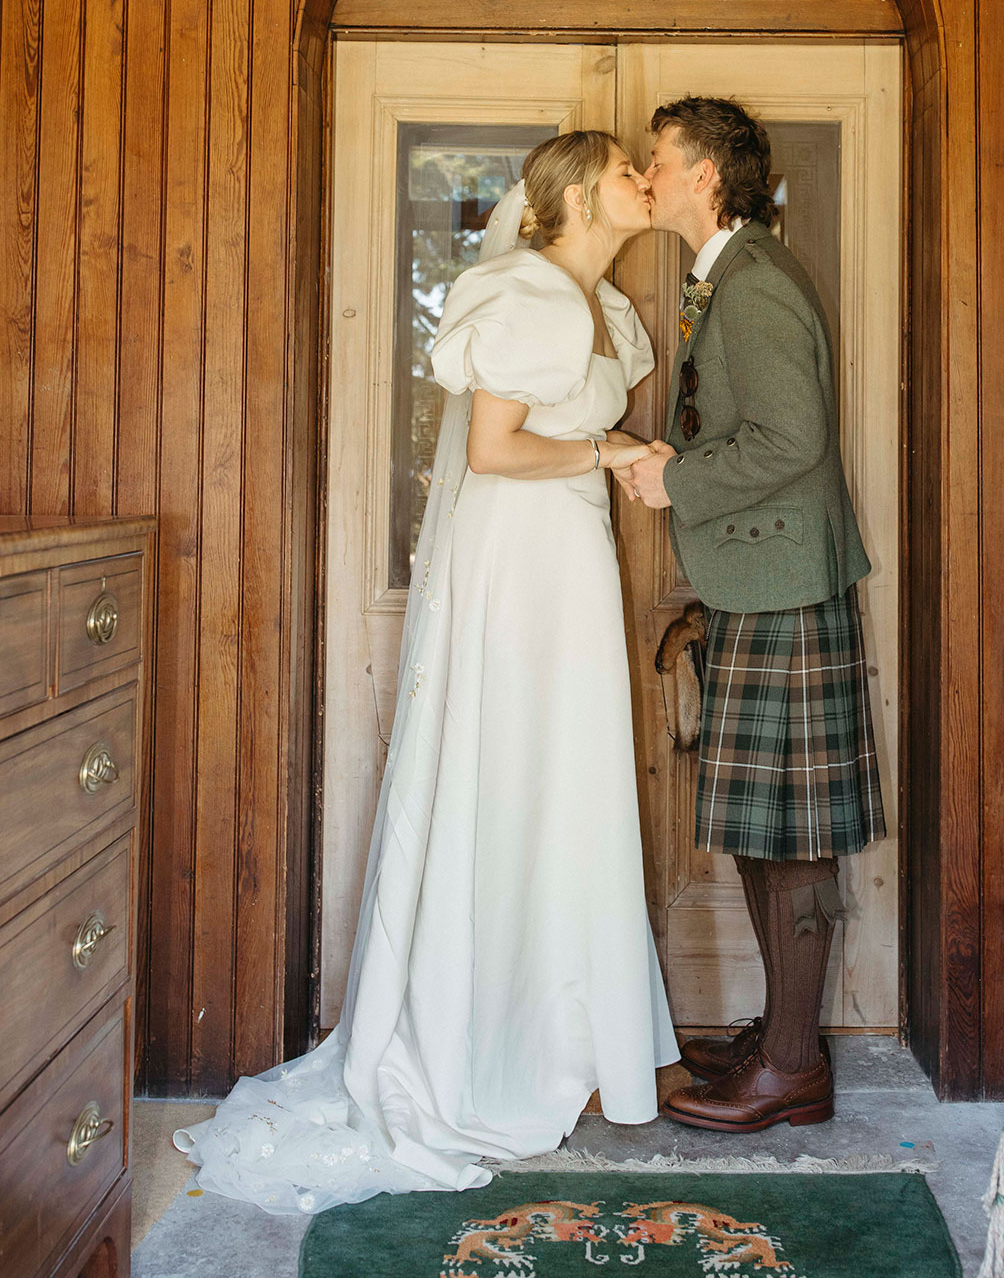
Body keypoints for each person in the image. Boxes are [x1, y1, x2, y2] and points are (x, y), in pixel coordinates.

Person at [173, 132, 677, 1212]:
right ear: (583, 196)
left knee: (561, 783)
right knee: (511, 776)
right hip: (521, 560)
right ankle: (482, 1043)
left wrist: (626, 450)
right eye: (630, 171)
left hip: (564, 557)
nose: (647, 181)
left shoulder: (594, 307)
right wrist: (613, 453)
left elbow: (564, 420)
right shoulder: (532, 296)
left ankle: (555, 1036)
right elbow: (496, 449)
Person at [624, 95, 885, 1133]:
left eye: (658, 158)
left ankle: (791, 1067)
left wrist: (675, 482)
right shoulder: (728, 273)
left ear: (703, 173)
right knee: (760, 827)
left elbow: (794, 440)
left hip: (782, 589)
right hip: (756, 586)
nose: (646, 173)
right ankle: (784, 1040)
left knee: (794, 835)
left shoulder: (757, 283)